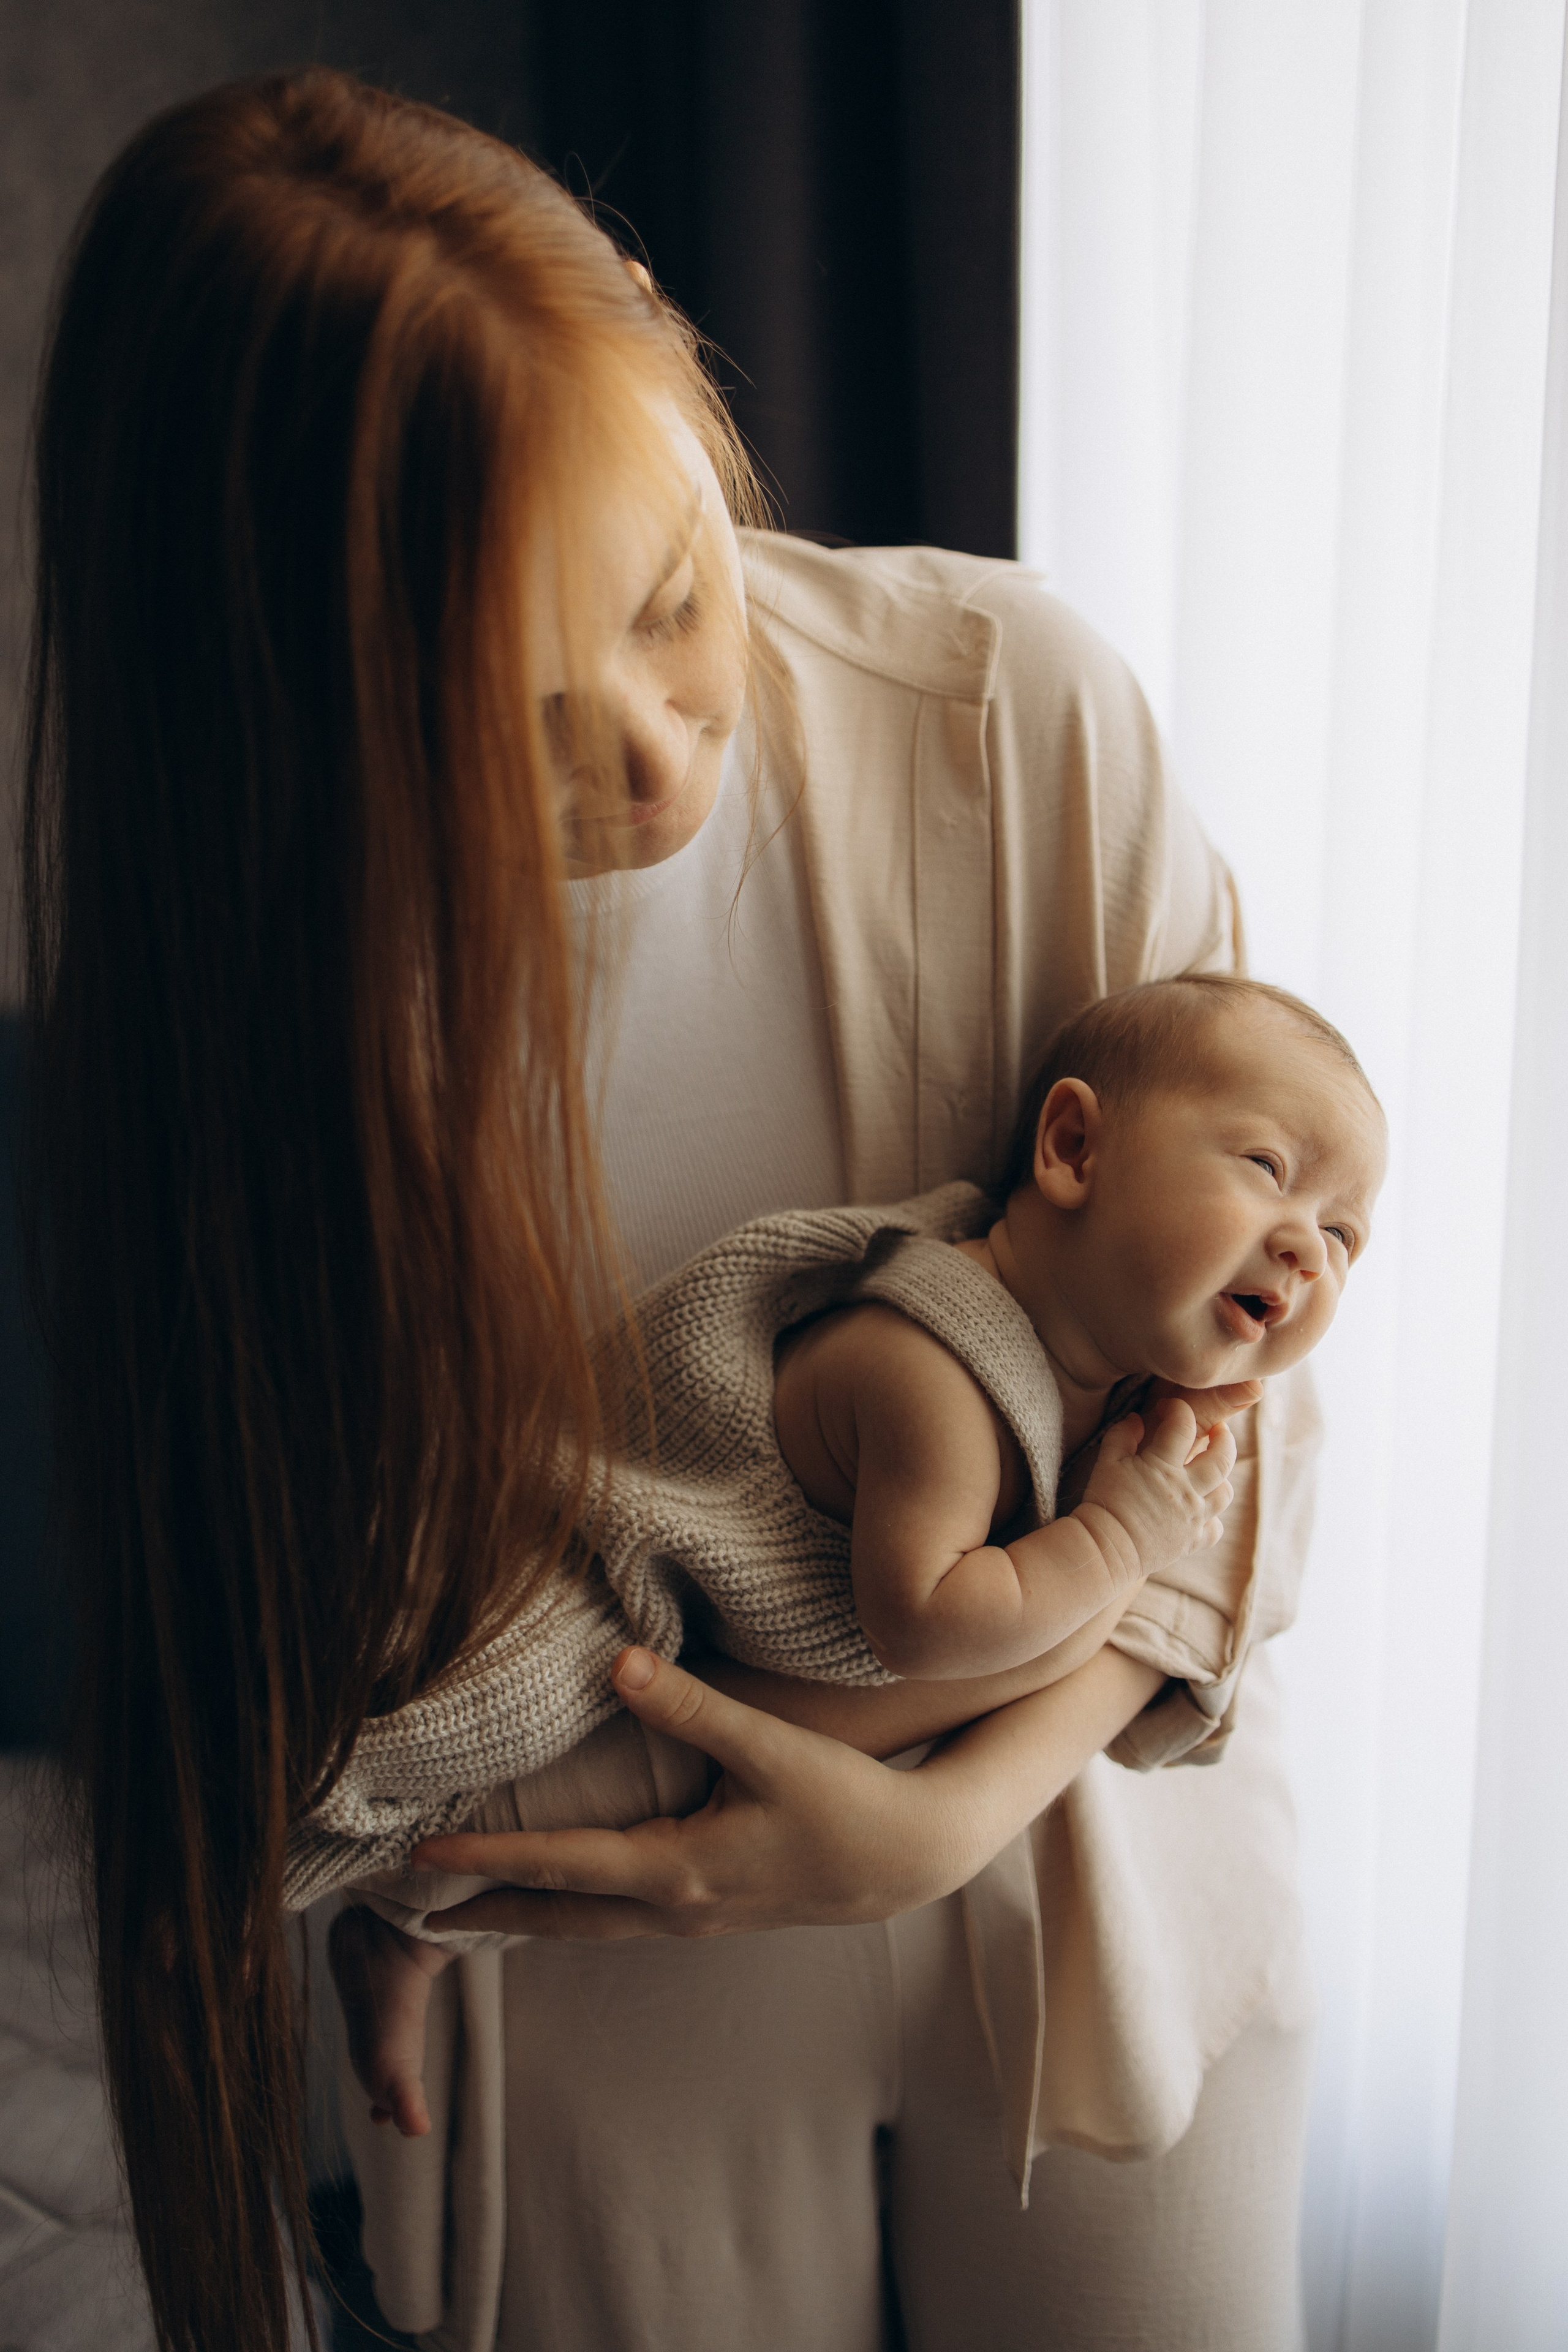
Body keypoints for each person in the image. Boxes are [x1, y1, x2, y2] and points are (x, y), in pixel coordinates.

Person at [20, 67, 1322, 2352]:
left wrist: (937, 1819)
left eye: (668, 594)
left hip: (1089, 1868)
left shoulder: (1016, 716)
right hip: (604, 1980)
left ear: (658, 331)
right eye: (500, 720)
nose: (644, 750)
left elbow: (1260, 1413)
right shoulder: (263, 1039)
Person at [330, 973, 1384, 2155]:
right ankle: (258, 1872)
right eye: (1268, 1171)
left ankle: (405, 1936)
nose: (1307, 1249)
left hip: (765, 1718)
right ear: (1075, 1148)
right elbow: (927, 1622)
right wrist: (1121, 1540)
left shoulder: (1119, 1379)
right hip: (614, 1607)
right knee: (453, 1768)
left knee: (545, 1847)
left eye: (1347, 1235)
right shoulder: (933, 1368)